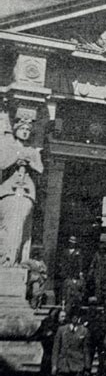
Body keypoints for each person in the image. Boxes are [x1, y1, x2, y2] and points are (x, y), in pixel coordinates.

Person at [0, 113, 43, 266]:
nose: (25, 132)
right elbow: (2, 164)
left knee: (20, 226)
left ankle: (14, 259)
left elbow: (40, 169)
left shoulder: (32, 151)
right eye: (22, 129)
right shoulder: (8, 146)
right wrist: (16, 159)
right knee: (8, 225)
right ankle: (4, 259)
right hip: (9, 191)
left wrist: (30, 162)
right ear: (15, 130)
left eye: (28, 130)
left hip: (26, 192)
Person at [31, 308, 60, 376]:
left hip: (54, 352)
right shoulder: (46, 322)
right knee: (47, 372)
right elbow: (39, 333)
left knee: (54, 373)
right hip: (48, 351)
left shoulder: (59, 325)